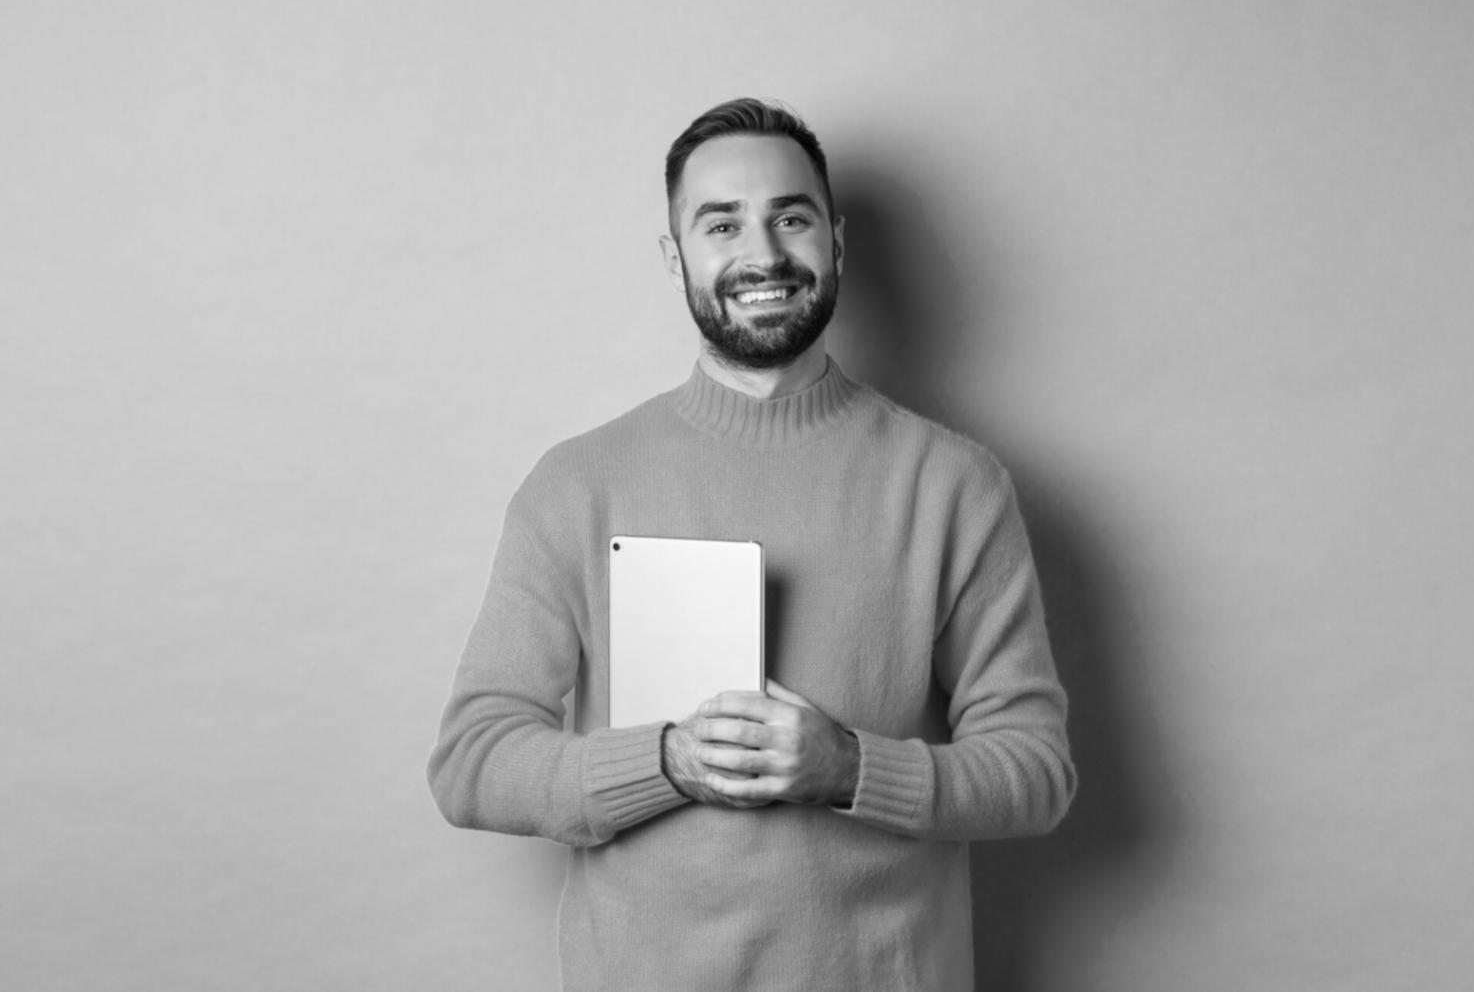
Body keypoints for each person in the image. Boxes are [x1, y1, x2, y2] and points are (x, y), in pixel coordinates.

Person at [428, 97, 1076, 991]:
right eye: (721, 223)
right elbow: (472, 764)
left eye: (791, 218)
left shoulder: (952, 484)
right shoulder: (577, 484)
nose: (762, 254)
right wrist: (664, 760)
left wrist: (852, 768)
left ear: (836, 242)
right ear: (676, 255)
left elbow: (1034, 771)